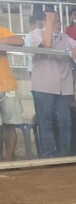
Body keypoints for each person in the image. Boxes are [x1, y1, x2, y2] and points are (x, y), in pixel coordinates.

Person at [30, 11, 76, 158]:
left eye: (59, 21)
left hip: (63, 88)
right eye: (53, 21)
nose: (57, 23)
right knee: (45, 122)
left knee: (65, 121)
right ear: (45, 22)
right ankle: (49, 154)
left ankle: (64, 153)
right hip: (43, 86)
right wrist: (47, 23)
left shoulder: (64, 37)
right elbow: (47, 45)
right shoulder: (37, 33)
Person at [0, 25, 23, 161]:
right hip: (7, 85)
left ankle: (9, 161)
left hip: (8, 85)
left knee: (10, 125)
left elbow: (19, 41)